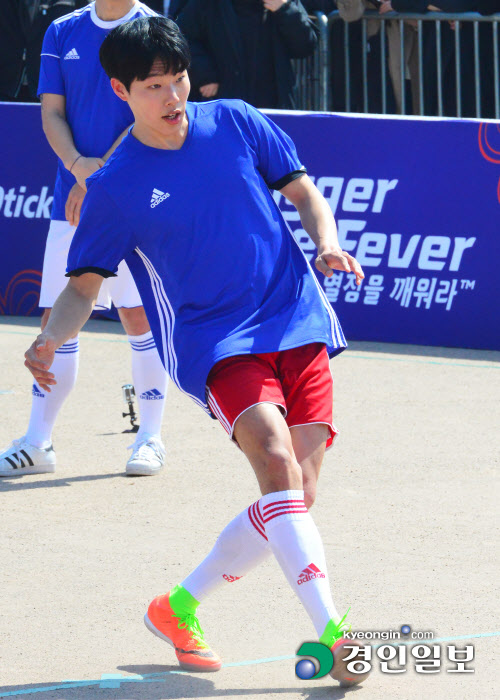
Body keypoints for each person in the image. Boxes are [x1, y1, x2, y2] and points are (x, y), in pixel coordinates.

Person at [24, 16, 370, 685]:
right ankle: (335, 633)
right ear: (121, 90)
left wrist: (325, 241)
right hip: (216, 340)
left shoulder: (237, 120)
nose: (172, 96)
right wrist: (49, 337)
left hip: (294, 317)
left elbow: (301, 189)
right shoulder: (117, 184)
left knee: (296, 494)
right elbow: (82, 286)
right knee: (275, 465)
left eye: (177, 79)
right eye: (153, 85)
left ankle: (178, 605)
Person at [0, 1, 168, 478]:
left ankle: (150, 437)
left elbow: (150, 117)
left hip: (137, 197)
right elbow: (52, 111)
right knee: (58, 318)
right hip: (70, 198)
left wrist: (95, 179)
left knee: (138, 316)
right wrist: (78, 169)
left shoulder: (155, 27)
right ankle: (37, 442)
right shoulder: (61, 30)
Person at [175, 0, 318, 109]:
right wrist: (206, 75)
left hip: (273, 103)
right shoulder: (208, 4)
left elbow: (305, 46)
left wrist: (285, 10)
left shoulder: (283, 2)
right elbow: (183, 37)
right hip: (224, 101)